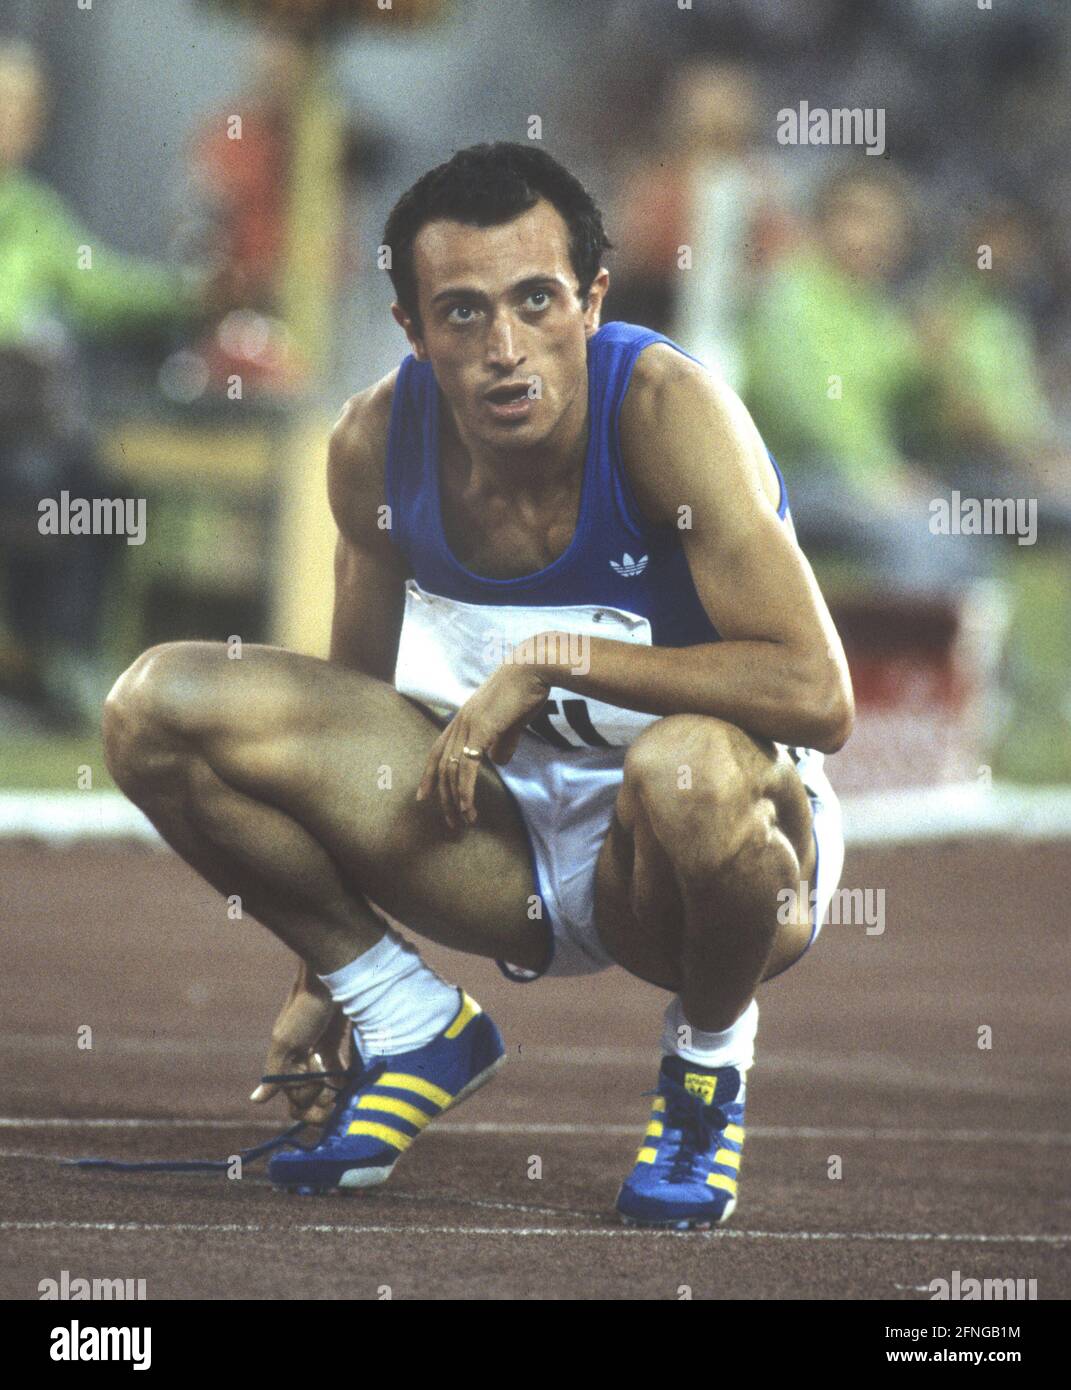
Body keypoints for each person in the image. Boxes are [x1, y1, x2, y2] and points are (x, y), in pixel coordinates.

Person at [102, 143, 853, 1228]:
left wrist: (552, 664)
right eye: (461, 314)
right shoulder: (373, 443)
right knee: (154, 706)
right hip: (498, 838)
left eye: (536, 301)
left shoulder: (665, 411)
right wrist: (329, 977)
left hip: (706, 853)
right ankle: (413, 1024)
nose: (506, 350)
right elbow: (338, 716)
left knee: (681, 766)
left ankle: (706, 1069)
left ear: (591, 300)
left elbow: (819, 692)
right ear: (411, 328)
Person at [0, 38, 212, 727]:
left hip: (28, 434)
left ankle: (57, 665)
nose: (16, 122)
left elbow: (103, 291)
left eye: (27, 110)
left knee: (99, 497)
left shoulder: (32, 210)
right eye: (5, 105)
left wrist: (194, 292)